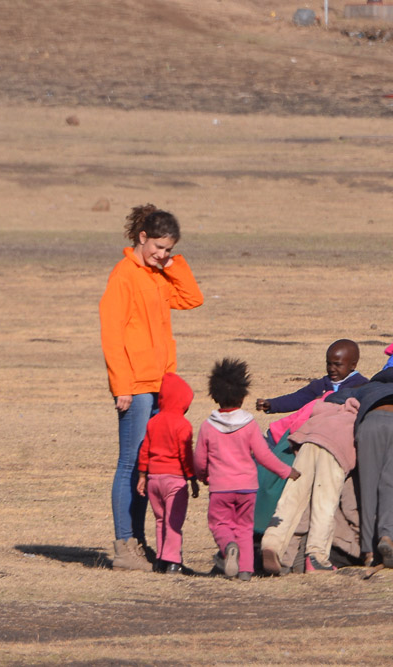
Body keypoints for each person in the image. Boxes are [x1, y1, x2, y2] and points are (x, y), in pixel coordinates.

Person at [99, 204, 203, 571]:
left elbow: (192, 298)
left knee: (150, 463)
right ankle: (124, 544)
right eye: (159, 247)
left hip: (161, 384)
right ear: (142, 238)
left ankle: (139, 543)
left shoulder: (159, 276)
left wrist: (172, 265)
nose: (162, 254)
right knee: (130, 462)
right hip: (135, 386)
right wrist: (122, 385)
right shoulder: (123, 275)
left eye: (169, 249)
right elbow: (112, 335)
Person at [194, 358, 300, 581]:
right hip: (247, 488)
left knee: (220, 524)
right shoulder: (249, 424)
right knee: (244, 527)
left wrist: (203, 476)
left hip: (220, 488)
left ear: (214, 396)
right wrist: (286, 471)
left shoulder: (208, 427)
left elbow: (200, 460)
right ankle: (245, 570)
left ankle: (228, 547)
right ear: (243, 396)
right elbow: (264, 456)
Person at [326, 368, 393, 569]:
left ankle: (368, 552)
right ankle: (387, 537)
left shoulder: (367, 388)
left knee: (367, 489)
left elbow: (332, 398)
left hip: (369, 424)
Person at [261, 395, 360, 574]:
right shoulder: (360, 418)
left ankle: (272, 543)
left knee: (291, 498)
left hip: (308, 444)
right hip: (335, 452)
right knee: (324, 505)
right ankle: (317, 557)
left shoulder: (331, 409)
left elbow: (311, 410)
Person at [135, 372, 200, 574]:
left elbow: (144, 450)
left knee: (160, 520)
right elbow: (185, 455)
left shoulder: (153, 422)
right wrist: (192, 478)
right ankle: (173, 561)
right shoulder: (183, 425)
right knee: (174, 522)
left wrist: (142, 475)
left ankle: (161, 560)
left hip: (154, 479)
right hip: (175, 480)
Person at [255, 339, 366, 415]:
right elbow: (297, 398)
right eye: (329, 364)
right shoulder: (320, 385)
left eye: (337, 364)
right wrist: (272, 405)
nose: (332, 369)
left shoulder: (362, 386)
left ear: (353, 365)